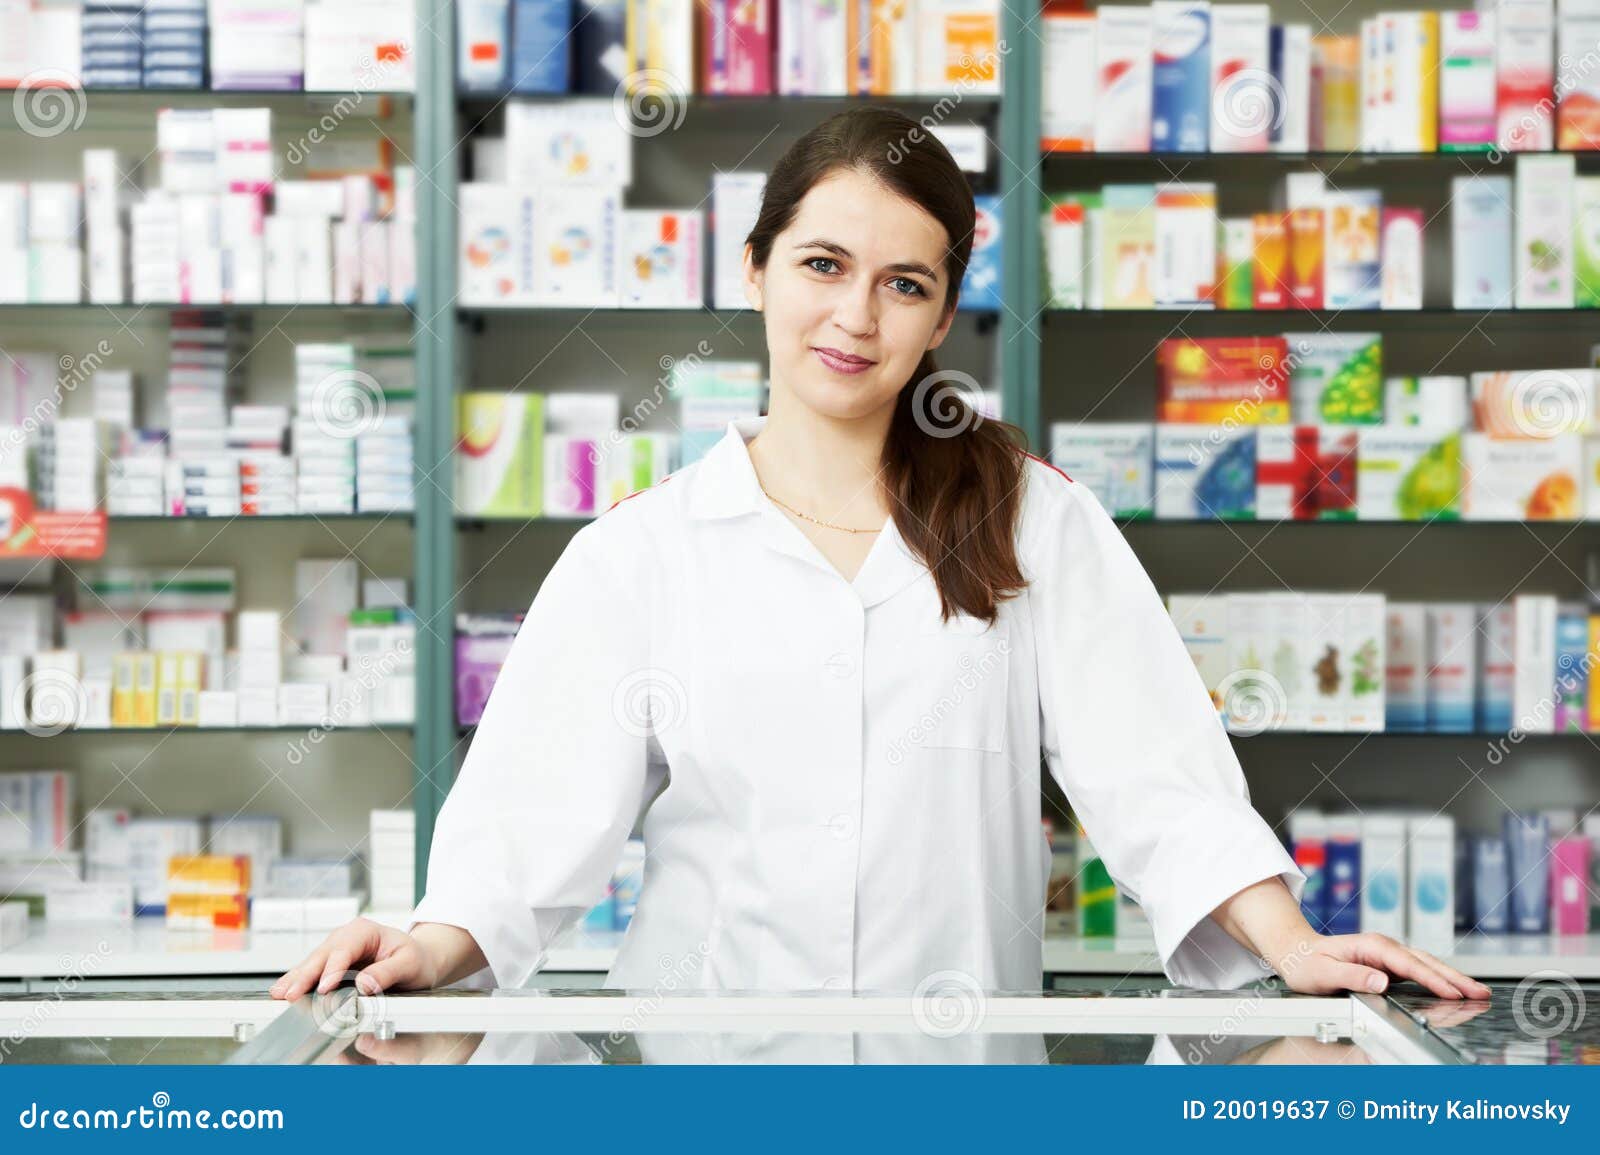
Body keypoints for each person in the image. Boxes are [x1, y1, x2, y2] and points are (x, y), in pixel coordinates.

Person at [271, 107, 1490, 1008]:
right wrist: (426, 946)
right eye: (821, 266)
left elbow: (1159, 777)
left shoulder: (1036, 523)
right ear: (752, 270)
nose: (855, 317)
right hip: (705, 1084)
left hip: (956, 1089)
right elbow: (527, 826)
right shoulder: (636, 557)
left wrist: (1291, 946)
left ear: (942, 313)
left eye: (902, 283)